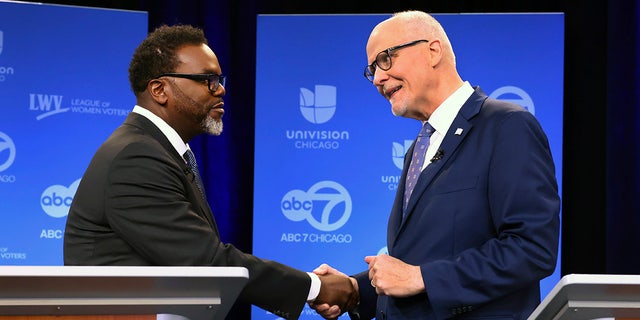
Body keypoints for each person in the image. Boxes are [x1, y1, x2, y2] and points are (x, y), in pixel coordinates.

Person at [63, 24, 358, 319]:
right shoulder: (137, 156)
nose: (221, 89)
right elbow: (205, 262)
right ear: (159, 90)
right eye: (207, 80)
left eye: (219, 79)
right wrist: (315, 287)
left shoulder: (155, 149)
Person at [311, 10, 560, 320]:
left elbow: (531, 249)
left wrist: (422, 278)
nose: (377, 78)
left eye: (386, 59)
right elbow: (418, 264)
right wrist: (355, 289)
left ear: (433, 51)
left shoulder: (507, 126)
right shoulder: (419, 147)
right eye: (372, 69)